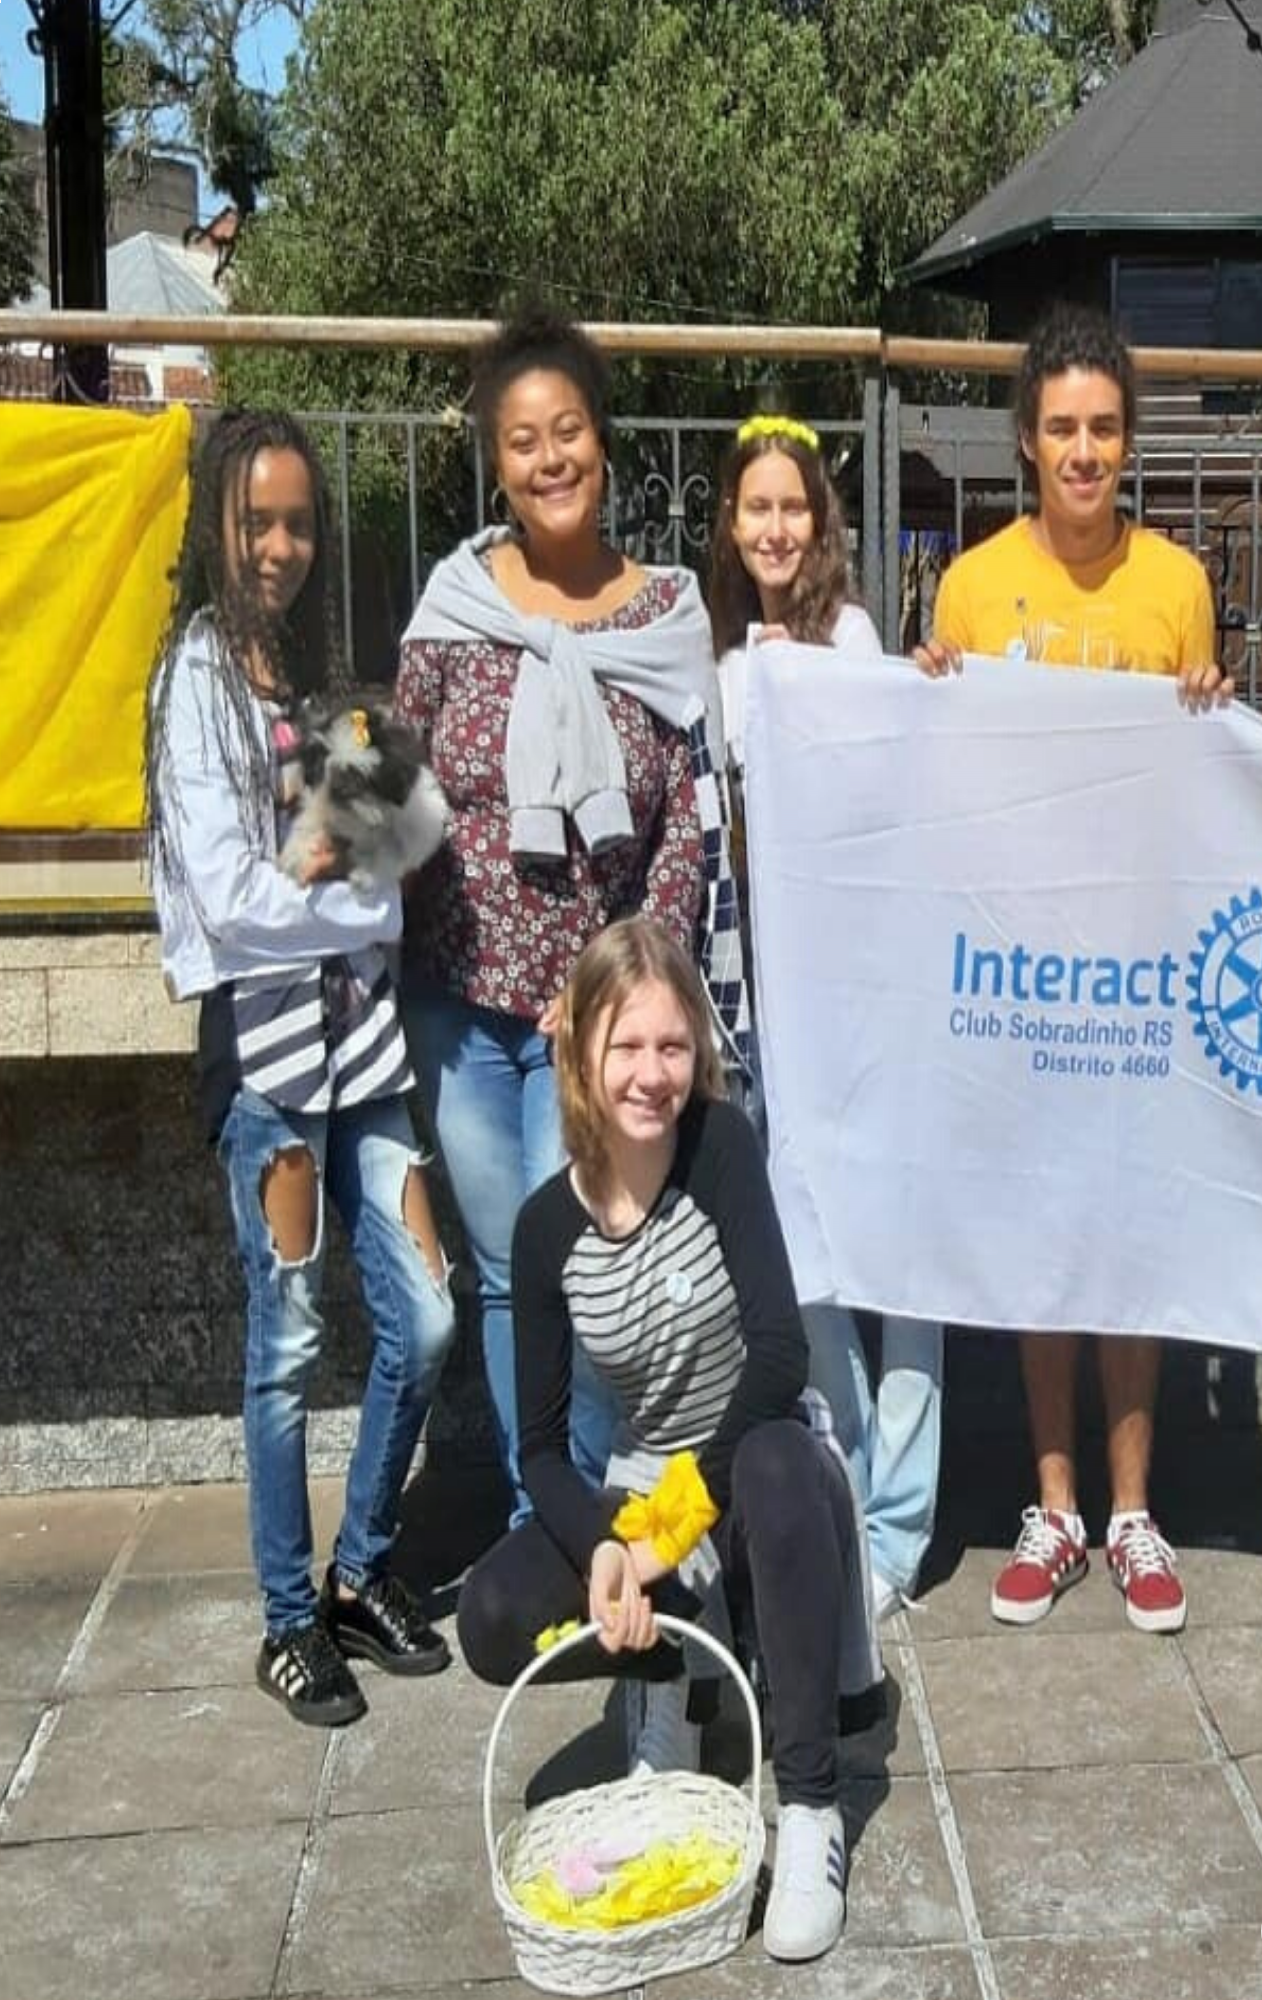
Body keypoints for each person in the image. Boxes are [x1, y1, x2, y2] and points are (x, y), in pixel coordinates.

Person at [455, 919, 871, 1962]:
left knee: (774, 1458)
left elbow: (778, 1354)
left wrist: (669, 1527)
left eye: (672, 1045)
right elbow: (544, 1449)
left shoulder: (718, 1147)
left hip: (765, 1460)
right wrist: (609, 1545)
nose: (652, 1075)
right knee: (492, 1613)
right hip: (645, 1484)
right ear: (579, 1053)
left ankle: (810, 1803)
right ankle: (671, 1690)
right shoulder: (546, 1227)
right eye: (627, 1046)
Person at [395, 309, 749, 1525]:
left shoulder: (664, 618)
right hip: (459, 1006)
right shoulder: (454, 604)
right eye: (521, 440)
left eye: (569, 433)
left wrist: (610, 993)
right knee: (505, 1276)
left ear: (604, 445)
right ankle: (540, 1519)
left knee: (599, 1267)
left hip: (589, 1026)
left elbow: (688, 827)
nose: (549, 459)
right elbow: (392, 786)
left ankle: (620, 1520)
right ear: (495, 460)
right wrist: (312, 839)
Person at [916, 301, 1226, 1634]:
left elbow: (1215, 782)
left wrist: (1216, 719)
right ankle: (1054, 1507)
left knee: (1132, 1245)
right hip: (1025, 977)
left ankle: (1134, 1513)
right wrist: (925, 688)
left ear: (1128, 440)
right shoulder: (975, 587)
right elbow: (942, 778)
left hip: (1142, 972)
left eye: (1104, 428)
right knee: (1050, 1243)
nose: (1085, 451)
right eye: (1062, 429)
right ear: (1027, 444)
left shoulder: (1180, 583)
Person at [145, 410, 457, 1728]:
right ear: (216, 522)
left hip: (367, 1053)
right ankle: (287, 1617)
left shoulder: (327, 676)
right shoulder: (195, 681)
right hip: (268, 1066)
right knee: (285, 1347)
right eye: (255, 521)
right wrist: (345, 886)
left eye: (298, 523)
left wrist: (346, 877)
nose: (279, 546)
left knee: (427, 1316)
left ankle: (362, 1567)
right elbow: (228, 902)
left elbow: (414, 836)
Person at [709, 414, 945, 1620]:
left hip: (876, 990)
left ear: (822, 521)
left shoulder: (851, 635)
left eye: (793, 506)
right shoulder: (717, 659)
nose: (775, 527)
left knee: (903, 1256)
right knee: (802, 1249)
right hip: (771, 1002)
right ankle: (840, 1481)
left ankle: (898, 1529)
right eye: (755, 508)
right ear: (729, 523)